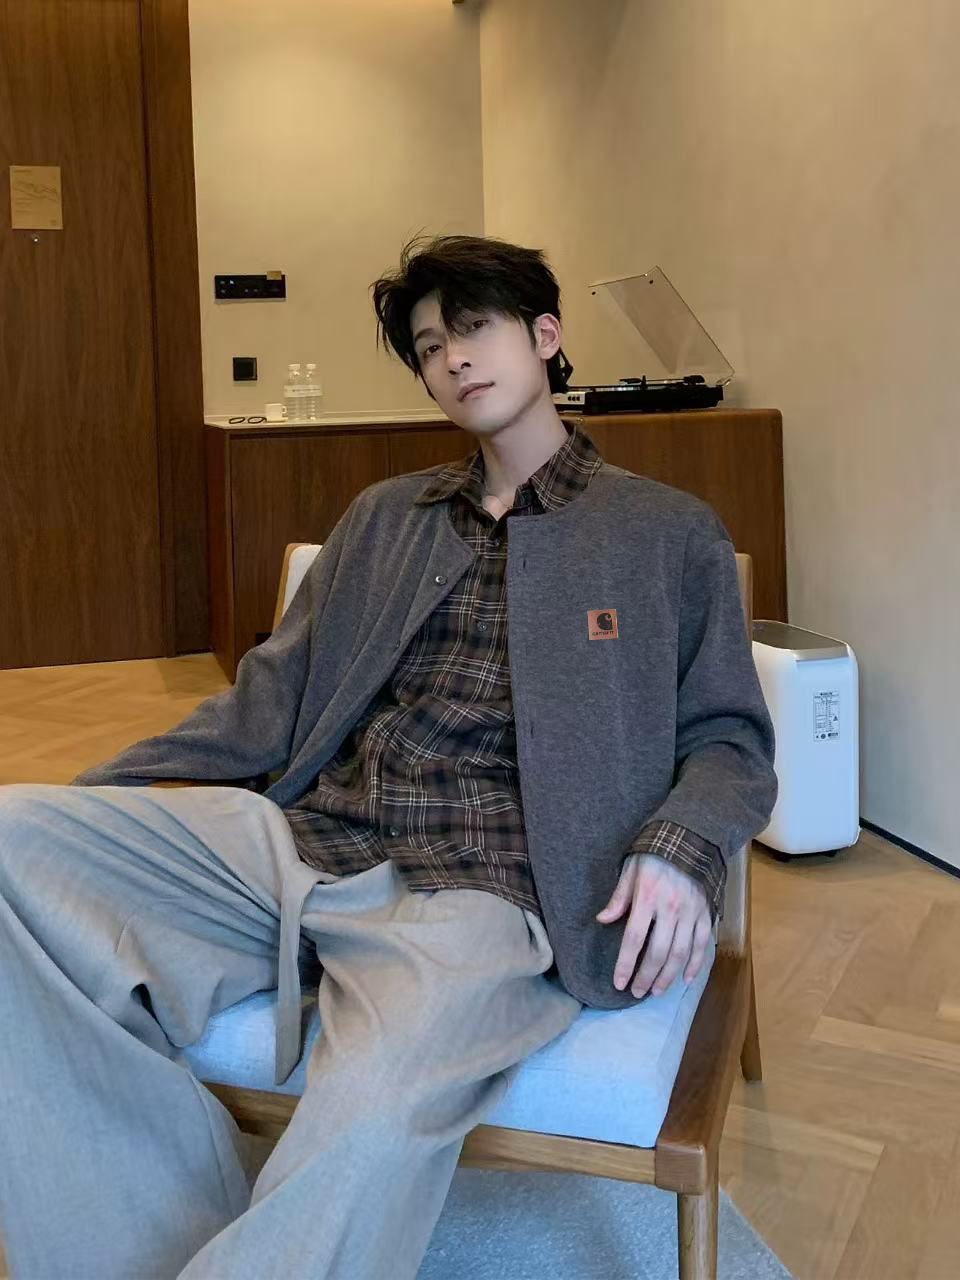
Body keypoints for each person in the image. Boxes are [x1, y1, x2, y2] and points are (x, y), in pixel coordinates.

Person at [0, 232, 777, 1279]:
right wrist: (104, 801)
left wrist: (681, 845)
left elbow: (731, 735)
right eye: (428, 346)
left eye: (474, 327)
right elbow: (268, 699)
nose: (452, 356)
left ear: (547, 336)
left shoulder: (662, 532)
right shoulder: (385, 517)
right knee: (14, 840)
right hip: (302, 842)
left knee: (371, 1103)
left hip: (486, 890)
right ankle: (137, 1238)